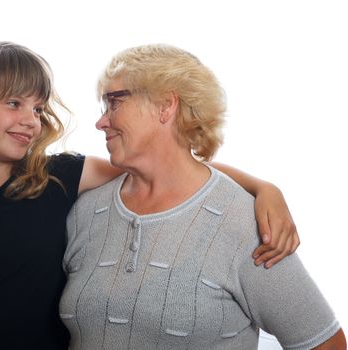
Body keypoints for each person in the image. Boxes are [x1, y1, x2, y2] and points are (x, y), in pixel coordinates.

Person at [0, 42, 300, 350]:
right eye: (14, 103)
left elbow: (170, 167)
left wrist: (263, 187)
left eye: (38, 109)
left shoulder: (57, 178)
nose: (30, 120)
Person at [60, 44, 346, 349]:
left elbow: (326, 344)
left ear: (166, 106)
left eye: (114, 103)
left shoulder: (244, 222)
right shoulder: (85, 211)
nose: (101, 121)